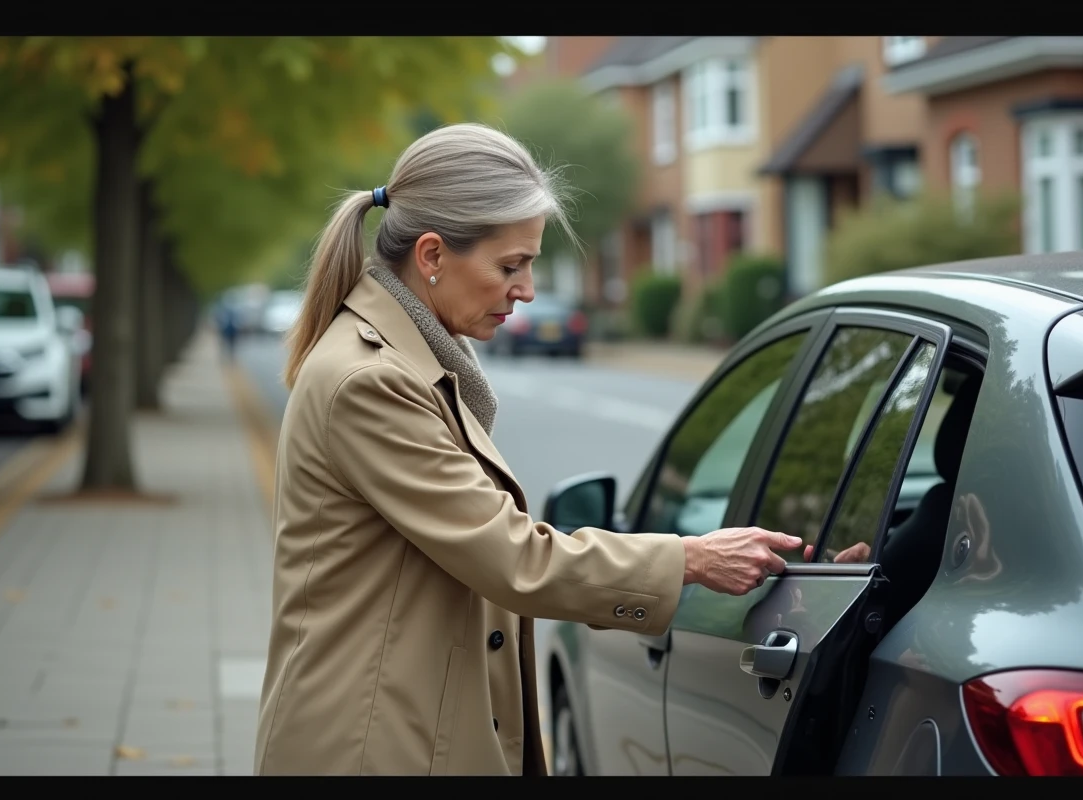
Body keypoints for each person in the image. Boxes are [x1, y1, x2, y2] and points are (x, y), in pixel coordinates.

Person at [253, 122, 804, 776]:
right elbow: (510, 556)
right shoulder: (373, 382)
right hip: (373, 747)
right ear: (431, 256)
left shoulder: (404, 361)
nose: (528, 291)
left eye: (530, 264)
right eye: (510, 265)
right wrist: (688, 559)